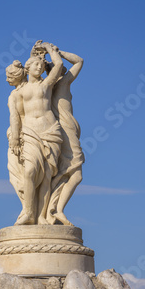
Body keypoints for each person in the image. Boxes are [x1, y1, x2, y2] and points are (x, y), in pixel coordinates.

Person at [9, 42, 64, 225]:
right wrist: (15, 139)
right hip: (30, 132)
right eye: (36, 64)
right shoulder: (18, 93)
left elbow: (59, 66)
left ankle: (41, 215)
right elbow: (15, 117)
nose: (40, 67)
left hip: (50, 131)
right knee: (30, 171)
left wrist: (50, 49)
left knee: (47, 175)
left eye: (41, 65)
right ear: (28, 68)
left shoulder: (47, 84)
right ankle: (28, 212)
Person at [45, 47, 85, 225]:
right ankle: (57, 210)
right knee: (76, 175)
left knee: (61, 174)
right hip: (67, 132)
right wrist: (58, 52)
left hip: (61, 131)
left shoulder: (47, 87)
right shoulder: (62, 83)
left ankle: (50, 210)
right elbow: (79, 61)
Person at [6, 60, 27, 222]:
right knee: (20, 176)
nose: (7, 80)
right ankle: (30, 209)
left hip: (19, 138)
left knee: (17, 176)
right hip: (27, 135)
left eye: (9, 76)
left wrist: (14, 139)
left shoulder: (15, 95)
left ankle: (29, 209)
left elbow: (14, 117)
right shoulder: (32, 89)